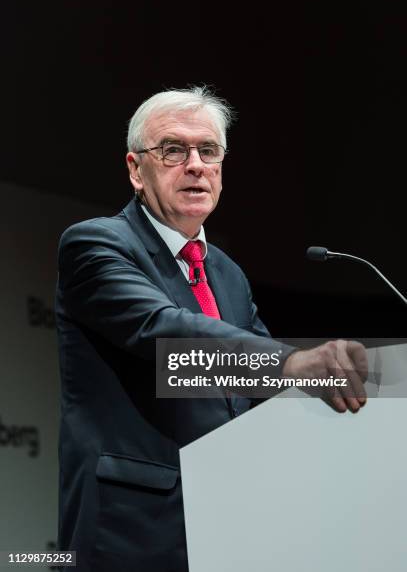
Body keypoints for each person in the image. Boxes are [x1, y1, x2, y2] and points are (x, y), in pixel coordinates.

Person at [56, 86, 367, 572]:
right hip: (129, 533)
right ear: (137, 170)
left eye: (209, 151)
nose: (196, 164)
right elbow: (162, 335)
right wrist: (292, 361)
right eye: (174, 150)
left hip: (226, 527)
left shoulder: (226, 273)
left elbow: (259, 387)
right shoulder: (96, 245)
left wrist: (344, 393)